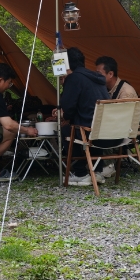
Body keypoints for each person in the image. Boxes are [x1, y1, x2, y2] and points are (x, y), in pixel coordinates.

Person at [51, 47, 112, 186]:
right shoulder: (97, 78)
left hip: (90, 132)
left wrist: (61, 113)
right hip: (110, 132)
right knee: (91, 124)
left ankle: (81, 174)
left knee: (67, 130)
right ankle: (97, 171)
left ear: (66, 64)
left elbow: (68, 110)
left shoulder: (74, 78)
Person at [94, 55, 140, 179]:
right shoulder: (106, 89)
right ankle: (100, 165)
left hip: (129, 129)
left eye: (98, 73)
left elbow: (124, 121)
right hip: (116, 126)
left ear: (110, 74)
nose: (96, 76)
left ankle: (106, 165)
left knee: (97, 134)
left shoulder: (126, 92)